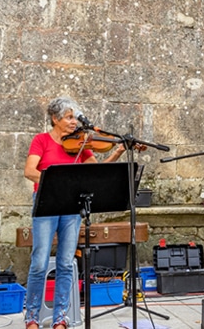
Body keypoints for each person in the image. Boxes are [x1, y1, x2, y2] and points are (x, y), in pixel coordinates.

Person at [23, 97, 126, 329]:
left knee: (66, 262)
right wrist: (57, 182)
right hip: (46, 201)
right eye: (69, 117)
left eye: (75, 117)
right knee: (39, 262)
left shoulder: (79, 144)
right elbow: (30, 171)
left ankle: (61, 317)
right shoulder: (41, 140)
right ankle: (31, 317)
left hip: (71, 205)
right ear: (55, 119)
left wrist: (117, 152)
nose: (73, 122)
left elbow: (96, 172)